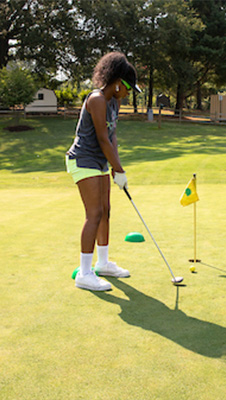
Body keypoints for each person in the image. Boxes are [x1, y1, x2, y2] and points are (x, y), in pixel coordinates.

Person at [66, 52, 141, 291]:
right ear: (118, 83)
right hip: (83, 159)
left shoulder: (113, 103)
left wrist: (117, 168)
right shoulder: (97, 99)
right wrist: (117, 169)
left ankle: (103, 263)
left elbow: (112, 138)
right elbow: (101, 139)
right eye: (128, 88)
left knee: (106, 211)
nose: (129, 94)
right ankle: (85, 274)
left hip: (99, 161)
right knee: (94, 213)